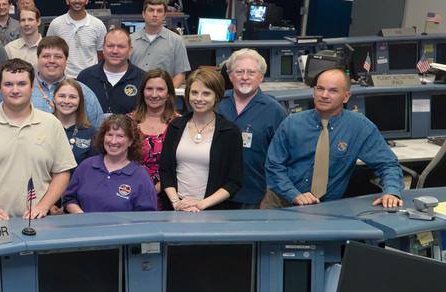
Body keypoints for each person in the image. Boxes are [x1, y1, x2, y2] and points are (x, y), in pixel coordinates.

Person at [264, 68, 403, 208]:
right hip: (282, 201)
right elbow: (274, 166)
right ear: (314, 92)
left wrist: (391, 191)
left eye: (333, 91)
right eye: (320, 89)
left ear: (346, 96)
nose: (324, 95)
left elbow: (387, 164)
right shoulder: (292, 123)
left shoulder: (359, 127)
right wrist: (294, 194)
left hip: (326, 208)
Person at [0, 59, 76, 222]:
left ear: (32, 87)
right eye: (8, 84)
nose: (15, 90)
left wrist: (43, 206)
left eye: (21, 84)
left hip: (37, 221)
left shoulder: (51, 124)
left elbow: (62, 172)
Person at [159, 66, 242, 212]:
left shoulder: (230, 131)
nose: (199, 99)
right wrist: (176, 202)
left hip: (212, 211)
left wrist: (201, 204)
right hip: (175, 209)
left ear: (217, 96)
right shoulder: (176, 126)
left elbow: (234, 181)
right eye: (194, 92)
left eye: (206, 93)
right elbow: (165, 171)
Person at [218, 48, 288, 208]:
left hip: (255, 197)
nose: (244, 77)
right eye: (239, 71)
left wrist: (271, 196)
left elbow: (283, 159)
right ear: (230, 75)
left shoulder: (275, 111)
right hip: (215, 194)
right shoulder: (217, 103)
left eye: (251, 72)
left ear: (261, 77)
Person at [64, 115, 158, 214]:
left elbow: (147, 216)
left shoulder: (140, 176)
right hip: (84, 228)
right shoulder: (86, 166)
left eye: (120, 136)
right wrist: (82, 216)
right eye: (109, 135)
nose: (113, 141)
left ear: (130, 141)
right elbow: (69, 199)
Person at [32, 36, 105, 126]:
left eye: (58, 57)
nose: (51, 61)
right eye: (46, 56)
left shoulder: (83, 92)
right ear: (38, 59)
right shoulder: (24, 89)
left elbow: (99, 130)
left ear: (66, 61)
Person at [132, 68, 179, 199]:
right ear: (142, 92)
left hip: (169, 194)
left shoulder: (179, 124)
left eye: (160, 89)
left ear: (169, 93)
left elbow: (182, 164)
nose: (154, 94)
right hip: (132, 192)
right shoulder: (128, 122)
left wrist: (154, 190)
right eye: (149, 89)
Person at [78, 27, 146, 114]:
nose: (115, 51)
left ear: (130, 50)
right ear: (103, 49)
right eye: (110, 46)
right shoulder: (85, 77)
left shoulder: (143, 79)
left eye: (121, 46)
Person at [130, 0, 191, 88]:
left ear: (164, 15)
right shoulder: (130, 40)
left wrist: (168, 94)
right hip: (134, 95)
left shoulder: (176, 41)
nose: (155, 14)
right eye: (151, 10)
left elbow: (180, 74)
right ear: (143, 14)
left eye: (159, 11)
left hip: (162, 98)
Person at [46, 0, 106, 77]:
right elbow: (49, 51)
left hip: (90, 78)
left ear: (86, 0)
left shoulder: (98, 25)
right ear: (67, 0)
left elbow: (101, 55)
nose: (77, 0)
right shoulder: (56, 24)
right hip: (63, 78)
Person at [52, 78, 96, 164]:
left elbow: (93, 168)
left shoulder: (91, 132)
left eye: (72, 97)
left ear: (80, 101)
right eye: (62, 96)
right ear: (54, 99)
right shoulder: (43, 127)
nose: (66, 101)